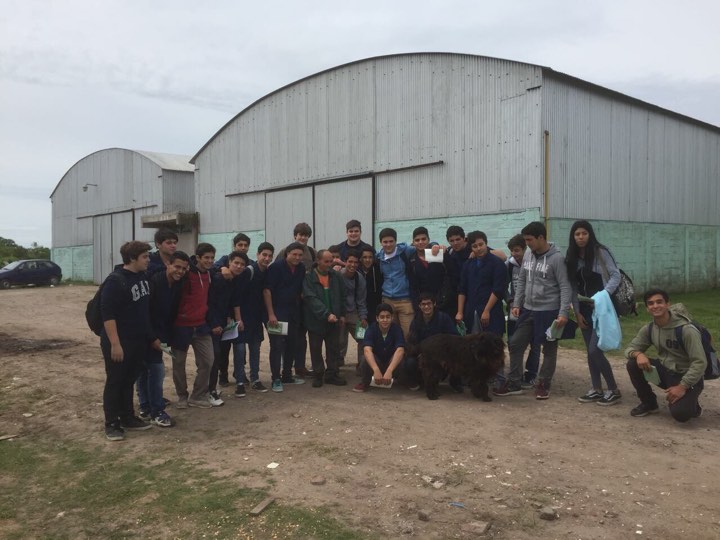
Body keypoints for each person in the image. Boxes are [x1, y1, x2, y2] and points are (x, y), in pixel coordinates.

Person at [493, 222, 572, 400]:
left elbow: (565, 287)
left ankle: (543, 383)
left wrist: (563, 313)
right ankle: (514, 382)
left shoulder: (557, 258)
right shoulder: (528, 254)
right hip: (528, 309)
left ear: (541, 238)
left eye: (529, 240)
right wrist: (516, 304)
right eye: (526, 240)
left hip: (549, 311)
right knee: (515, 343)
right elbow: (522, 280)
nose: (527, 243)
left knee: (549, 349)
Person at [100, 241, 156, 441]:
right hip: (119, 342)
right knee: (115, 381)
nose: (148, 260)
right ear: (132, 258)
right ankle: (112, 423)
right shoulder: (115, 280)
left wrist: (151, 338)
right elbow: (108, 314)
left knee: (129, 380)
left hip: (137, 341)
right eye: (145, 257)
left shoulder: (142, 277)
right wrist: (115, 344)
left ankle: (127, 417)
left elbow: (142, 312)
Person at [565, 220, 623, 406]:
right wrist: (576, 311)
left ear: (590, 234)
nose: (581, 237)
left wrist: (604, 295)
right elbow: (573, 285)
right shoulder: (572, 256)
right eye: (577, 234)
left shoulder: (601, 251)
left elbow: (615, 275)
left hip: (602, 308)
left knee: (594, 350)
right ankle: (596, 389)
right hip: (584, 309)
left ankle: (613, 389)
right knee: (590, 353)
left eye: (584, 233)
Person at [625, 288, 705, 421]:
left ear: (668, 304)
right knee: (633, 363)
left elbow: (700, 362)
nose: (655, 306)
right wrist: (638, 354)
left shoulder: (686, 330)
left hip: (687, 376)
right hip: (665, 371)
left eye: (659, 302)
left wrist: (682, 386)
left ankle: (693, 404)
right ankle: (649, 403)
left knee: (681, 415)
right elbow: (630, 349)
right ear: (647, 308)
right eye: (651, 303)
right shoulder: (649, 328)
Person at [138, 250, 189, 428]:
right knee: (156, 370)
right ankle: (156, 410)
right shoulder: (153, 283)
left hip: (159, 334)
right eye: (177, 267)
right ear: (168, 264)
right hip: (145, 334)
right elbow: (144, 314)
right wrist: (152, 338)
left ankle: (145, 406)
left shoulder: (177, 284)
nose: (180, 271)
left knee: (146, 371)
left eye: (183, 268)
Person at [170, 242, 218, 409]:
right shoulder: (186, 274)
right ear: (197, 258)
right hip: (181, 326)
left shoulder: (211, 274)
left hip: (201, 325)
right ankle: (182, 396)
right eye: (206, 258)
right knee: (178, 364)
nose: (210, 261)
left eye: (212, 258)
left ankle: (198, 395)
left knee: (208, 361)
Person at [264, 241, 307, 392]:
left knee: (291, 345)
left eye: (300, 255)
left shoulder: (301, 268)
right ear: (286, 254)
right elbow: (267, 291)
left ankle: (287, 375)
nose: (297, 257)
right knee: (277, 346)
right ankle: (276, 378)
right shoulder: (275, 267)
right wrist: (271, 314)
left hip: (293, 313)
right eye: (294, 254)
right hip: (277, 313)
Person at [207, 251, 249, 405]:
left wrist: (237, 320)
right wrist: (214, 323)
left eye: (242, 264)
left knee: (222, 353)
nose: (239, 266)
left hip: (226, 321)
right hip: (212, 323)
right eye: (236, 263)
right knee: (213, 356)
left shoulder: (237, 280)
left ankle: (216, 387)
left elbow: (234, 301)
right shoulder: (218, 278)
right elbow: (210, 303)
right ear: (229, 263)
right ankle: (209, 390)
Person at [232, 242, 274, 395]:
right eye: (264, 255)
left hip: (256, 319)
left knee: (255, 350)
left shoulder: (268, 272)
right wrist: (238, 318)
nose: (267, 258)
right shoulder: (248, 271)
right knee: (240, 350)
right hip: (243, 318)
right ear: (257, 255)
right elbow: (236, 296)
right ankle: (240, 382)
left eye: (270, 256)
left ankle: (255, 379)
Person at [275, 222, 316, 378]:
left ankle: (300, 366)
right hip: (286, 303)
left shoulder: (312, 252)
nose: (303, 238)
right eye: (300, 235)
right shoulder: (284, 251)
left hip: (305, 302)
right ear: (295, 235)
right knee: (283, 337)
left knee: (301, 335)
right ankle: (284, 368)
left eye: (306, 235)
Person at [303, 249, 347, 387]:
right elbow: (311, 299)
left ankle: (332, 374)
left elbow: (342, 296)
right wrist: (326, 314)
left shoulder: (336, 276)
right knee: (315, 349)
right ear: (318, 261)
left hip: (334, 321)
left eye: (331, 261)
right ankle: (318, 374)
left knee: (333, 348)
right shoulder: (309, 277)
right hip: (315, 320)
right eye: (326, 261)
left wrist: (342, 315)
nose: (330, 264)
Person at [456, 230, 508, 336]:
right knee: (472, 346)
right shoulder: (468, 264)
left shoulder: (497, 263)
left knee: (492, 345)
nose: (479, 248)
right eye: (475, 246)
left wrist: (486, 310)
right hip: (471, 311)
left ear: (486, 244)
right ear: (471, 248)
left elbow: (498, 289)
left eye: (481, 244)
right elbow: (462, 289)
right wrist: (460, 312)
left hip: (491, 311)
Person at [506, 234, 540, 388]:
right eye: (512, 251)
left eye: (517, 250)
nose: (515, 254)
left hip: (531, 308)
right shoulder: (509, 265)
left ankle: (531, 374)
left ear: (525, 249)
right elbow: (503, 285)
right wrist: (510, 300)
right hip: (515, 308)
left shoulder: (532, 263)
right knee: (513, 341)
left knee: (534, 342)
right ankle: (515, 374)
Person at [406, 292, 459, 390]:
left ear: (434, 304)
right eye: (423, 304)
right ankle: (418, 381)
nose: (426, 306)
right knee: (410, 362)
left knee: (459, 356)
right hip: (423, 355)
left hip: (443, 355)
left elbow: (454, 338)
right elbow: (412, 343)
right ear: (419, 306)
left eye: (429, 303)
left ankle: (455, 383)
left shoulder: (444, 318)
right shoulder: (415, 321)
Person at [353, 303, 408, 393]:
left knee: (402, 359)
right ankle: (365, 382)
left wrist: (390, 370)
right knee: (364, 358)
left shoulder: (397, 329)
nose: (385, 320)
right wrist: (375, 369)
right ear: (377, 318)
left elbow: (400, 350)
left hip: (391, 363)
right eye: (382, 317)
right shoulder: (371, 329)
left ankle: (401, 380)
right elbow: (367, 350)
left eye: (388, 317)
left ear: (392, 318)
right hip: (377, 362)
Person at [408, 227, 452, 313]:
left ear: (429, 240)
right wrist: (417, 306)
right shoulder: (412, 260)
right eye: (417, 240)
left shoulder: (439, 253)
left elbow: (450, 275)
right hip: (423, 306)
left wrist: (445, 298)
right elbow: (412, 287)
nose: (420, 242)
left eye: (423, 239)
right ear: (413, 242)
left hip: (443, 304)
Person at [337, 249, 368, 369]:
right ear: (345, 262)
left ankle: (362, 364)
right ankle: (338, 363)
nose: (353, 265)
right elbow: (335, 298)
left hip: (354, 312)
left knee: (364, 337)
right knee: (340, 340)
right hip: (339, 312)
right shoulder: (338, 275)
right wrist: (340, 314)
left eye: (356, 262)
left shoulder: (359, 279)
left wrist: (363, 317)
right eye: (350, 261)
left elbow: (361, 300)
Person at [359, 246, 383, 326]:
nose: (367, 260)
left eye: (370, 257)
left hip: (375, 307)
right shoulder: (356, 271)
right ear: (360, 259)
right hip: (359, 308)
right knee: (361, 336)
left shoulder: (378, 270)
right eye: (364, 257)